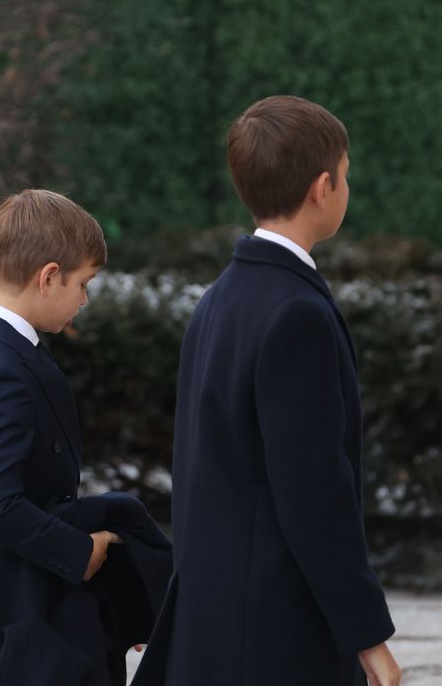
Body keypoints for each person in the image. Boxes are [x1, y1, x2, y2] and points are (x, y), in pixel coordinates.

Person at [142, 96, 400, 685]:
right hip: (274, 631)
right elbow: (314, 489)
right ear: (322, 188)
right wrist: (367, 635)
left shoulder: (219, 300)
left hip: (217, 619)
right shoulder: (295, 314)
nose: (347, 189)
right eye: (347, 176)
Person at [0, 189, 172, 686]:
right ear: (49, 276)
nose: (85, 300)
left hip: (12, 597)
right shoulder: (2, 370)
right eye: (83, 283)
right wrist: (79, 552)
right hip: (4, 610)